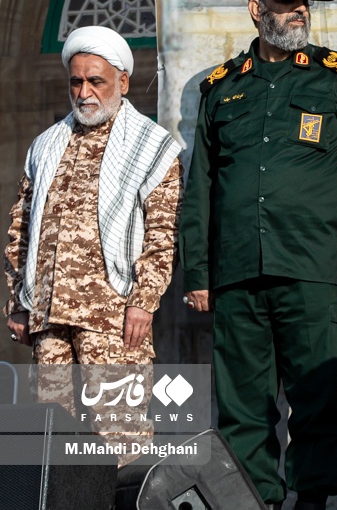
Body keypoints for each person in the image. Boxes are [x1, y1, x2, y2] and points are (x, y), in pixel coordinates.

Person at [178, 0, 337, 510]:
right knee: (242, 407)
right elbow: (202, 184)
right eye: (287, 3)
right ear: (255, 10)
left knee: (315, 399)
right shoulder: (220, 88)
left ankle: (311, 502)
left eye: (303, 3)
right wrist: (198, 270)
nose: (299, 12)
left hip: (311, 267)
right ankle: (253, 501)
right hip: (238, 270)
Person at [4, 26, 182, 458]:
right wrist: (18, 303)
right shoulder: (46, 145)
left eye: (95, 81)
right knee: (54, 444)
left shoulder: (151, 147)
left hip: (113, 319)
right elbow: (21, 228)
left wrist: (144, 300)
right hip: (48, 320)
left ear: (122, 81)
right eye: (76, 81)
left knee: (121, 440)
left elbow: (163, 234)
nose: (84, 91)